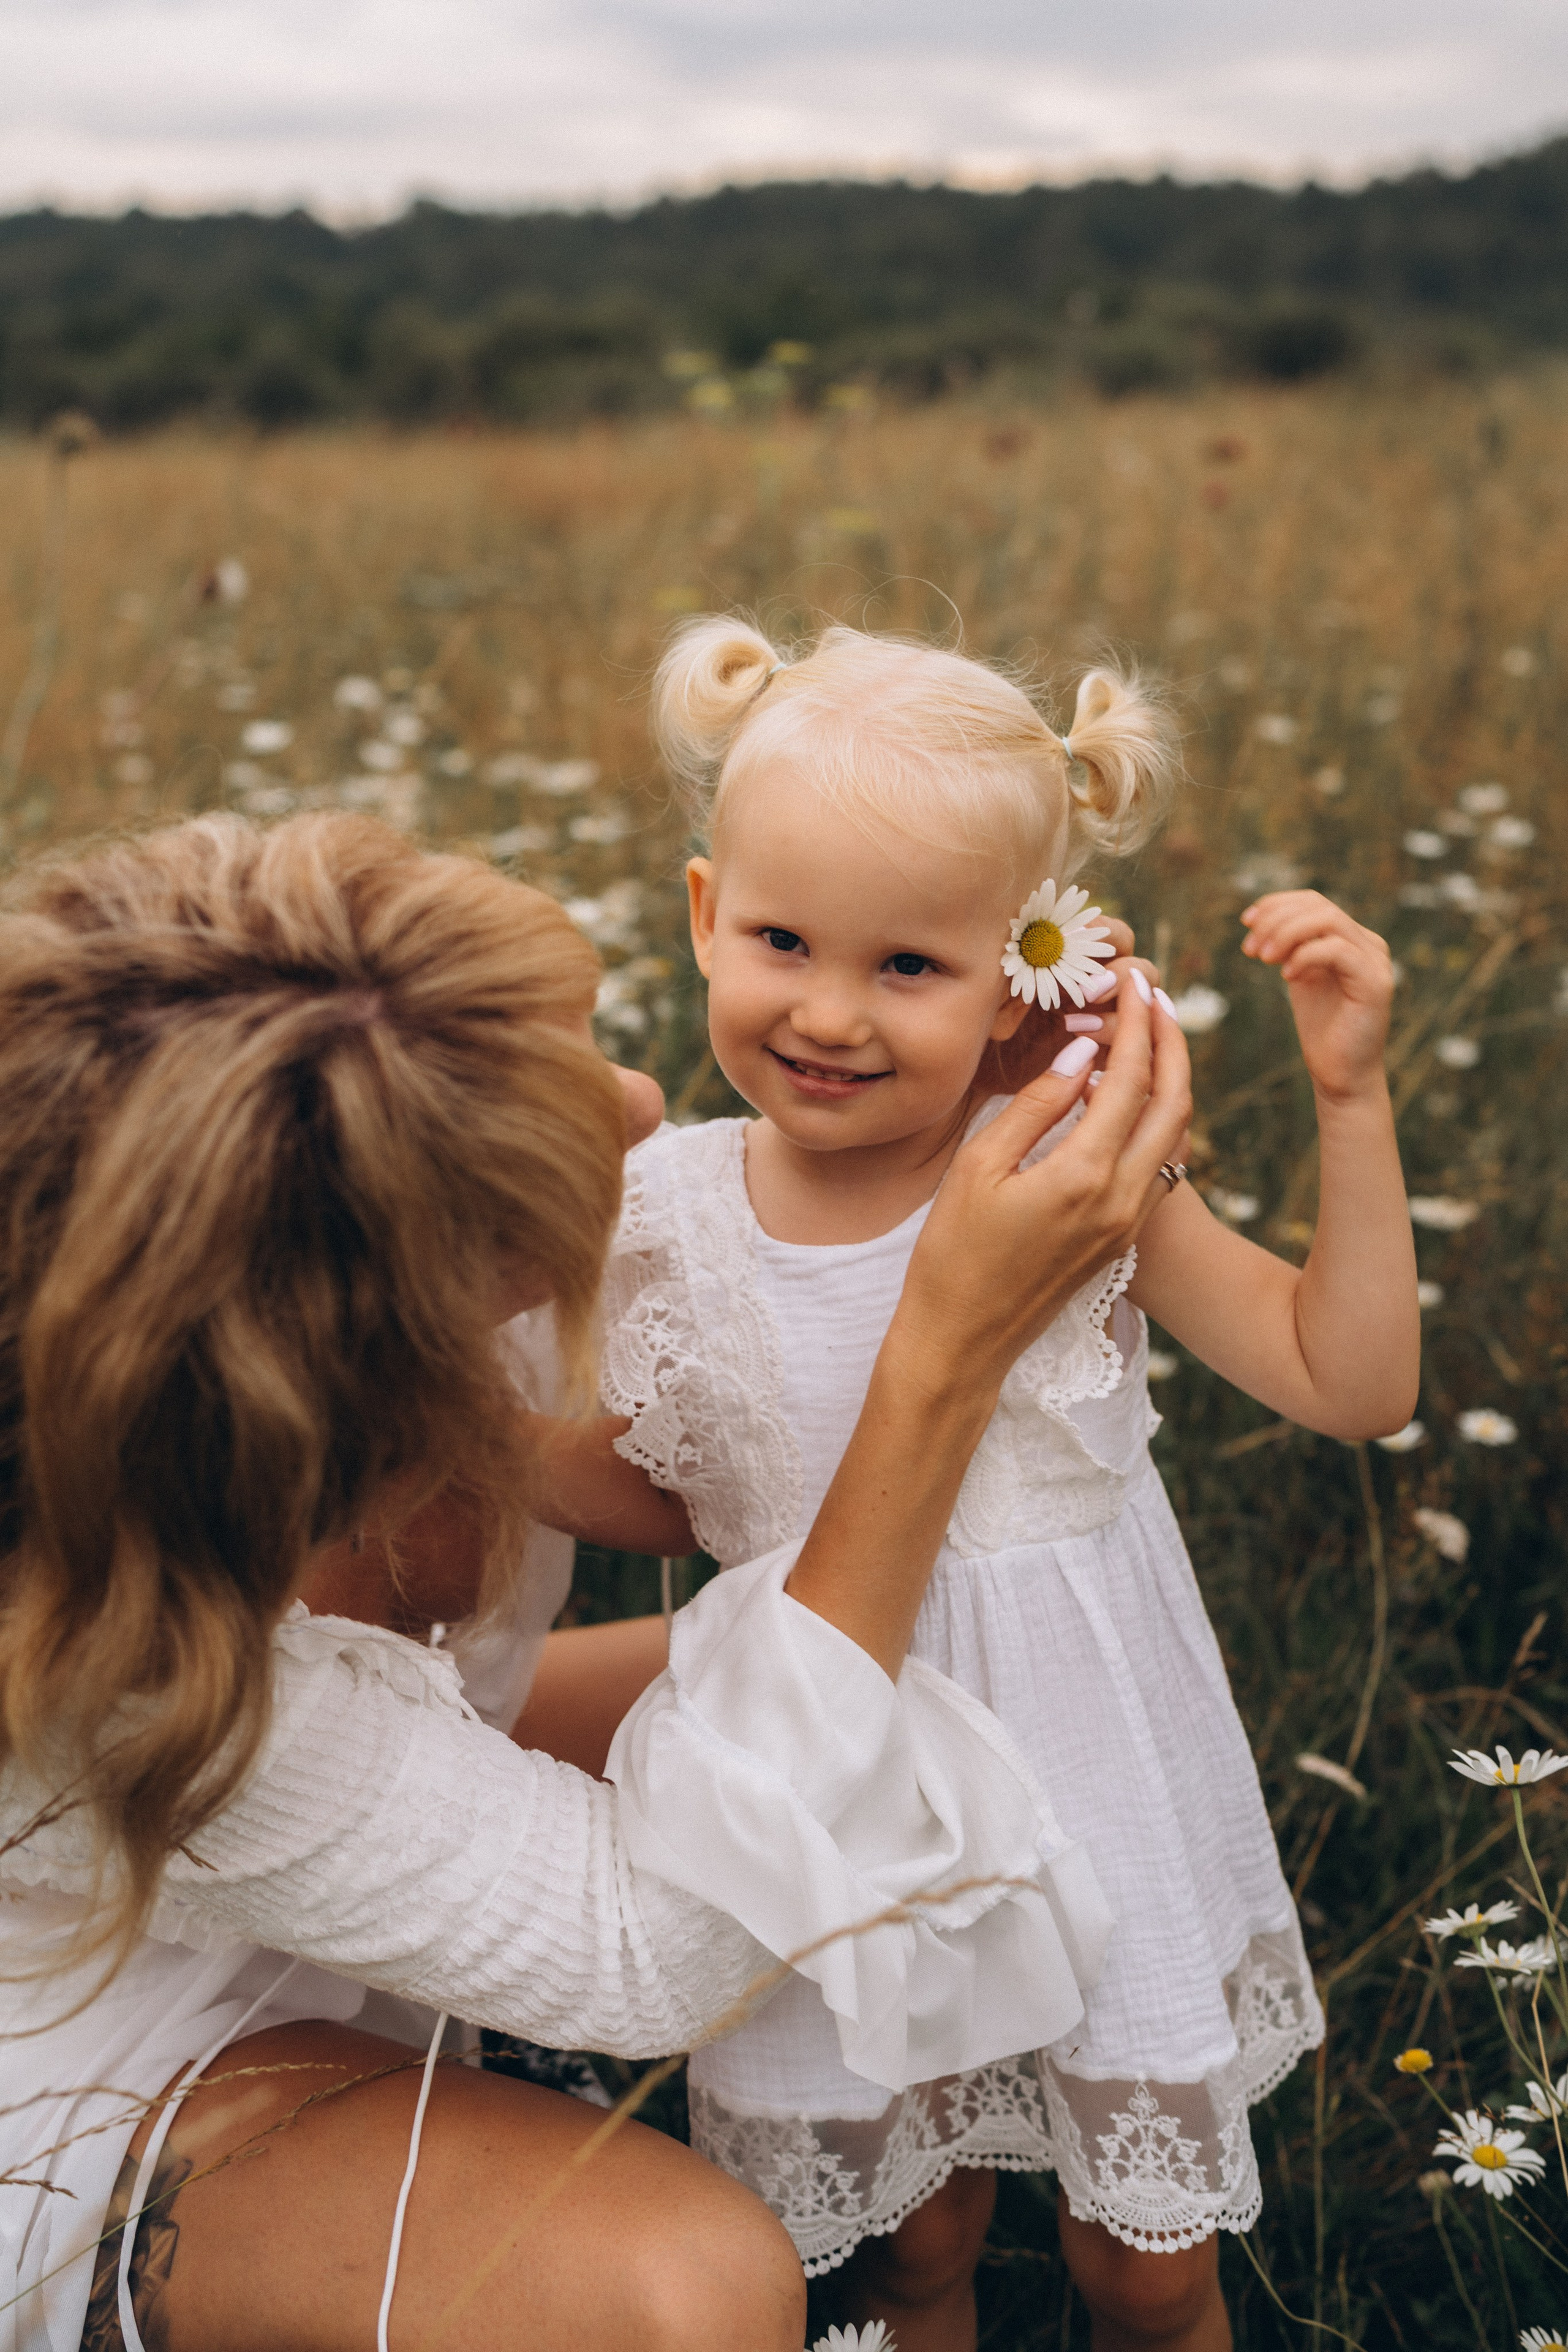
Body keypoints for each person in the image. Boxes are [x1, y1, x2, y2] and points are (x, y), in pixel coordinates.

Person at [0, 809, 1190, 2352]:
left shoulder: (386, 1284)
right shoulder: (100, 1663)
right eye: (554, 1111)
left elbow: (755, 1495)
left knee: (967, 1672)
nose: (637, 1102)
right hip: (103, 2032)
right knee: (676, 2293)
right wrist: (942, 1352)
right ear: (372, 1332)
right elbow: (656, 1956)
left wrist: (960, 1089)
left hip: (327, 1820)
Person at [585, 619, 1421, 2352]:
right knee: (918, 2233)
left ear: (1031, 975)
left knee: (1148, 2262)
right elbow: (655, 1489)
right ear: (699, 915)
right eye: (781, 940)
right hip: (838, 1777)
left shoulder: (1056, 1169)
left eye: (910, 967)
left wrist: (1350, 1098)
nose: (825, 1011)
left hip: (1084, 1766)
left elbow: (1353, 1383)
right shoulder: (660, 1216)